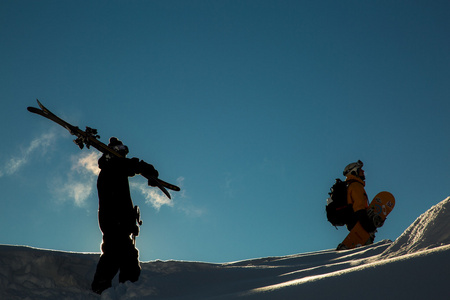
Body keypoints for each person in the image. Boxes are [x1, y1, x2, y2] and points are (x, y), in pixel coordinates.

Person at [91, 137, 159, 295]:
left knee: (127, 256)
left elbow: (126, 170)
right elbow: (127, 166)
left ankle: (128, 288)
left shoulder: (116, 170)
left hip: (119, 221)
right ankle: (102, 286)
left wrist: (130, 223)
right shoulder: (109, 167)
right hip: (113, 220)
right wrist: (145, 168)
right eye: (122, 152)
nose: (124, 155)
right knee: (115, 253)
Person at [342, 160, 377, 244]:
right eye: (360, 170)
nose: (363, 171)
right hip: (358, 221)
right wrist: (369, 227)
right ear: (354, 172)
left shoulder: (351, 185)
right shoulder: (356, 186)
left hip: (353, 221)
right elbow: (359, 208)